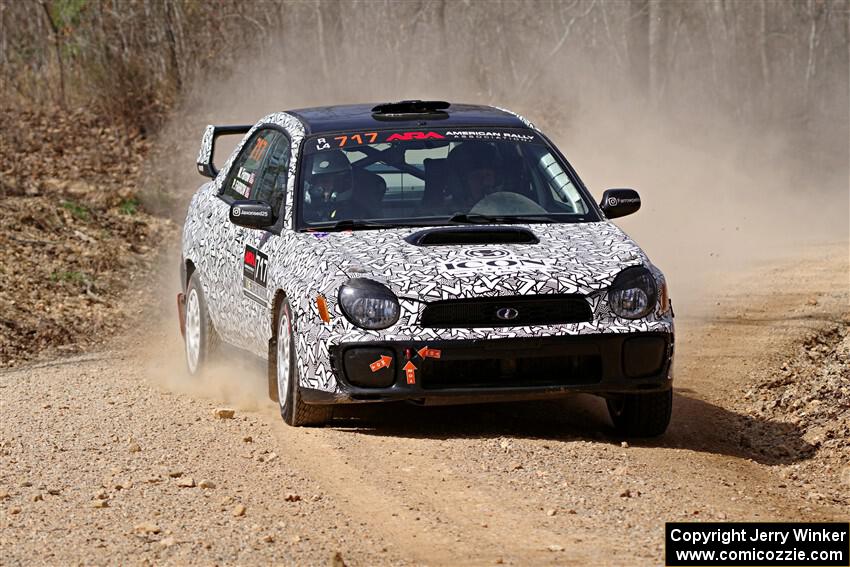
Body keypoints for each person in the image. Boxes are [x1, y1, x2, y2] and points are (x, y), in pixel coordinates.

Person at [302, 150, 353, 222]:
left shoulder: (352, 212)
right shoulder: (299, 211)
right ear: (312, 183)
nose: (330, 186)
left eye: (337, 181)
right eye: (324, 181)